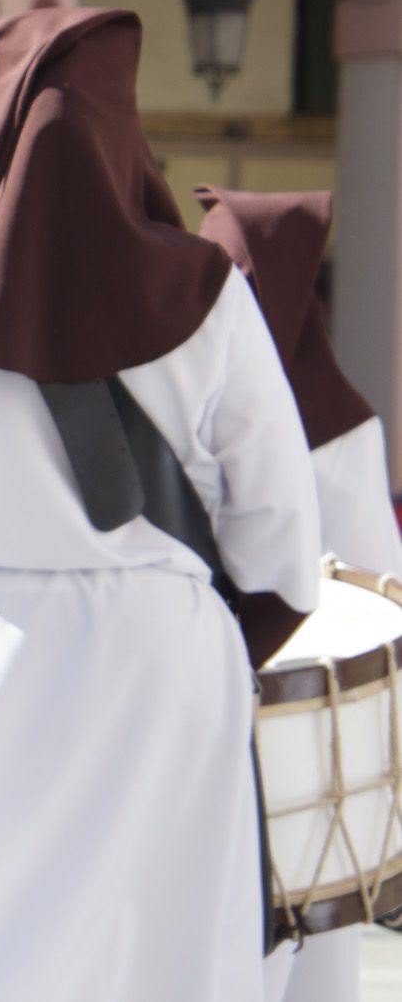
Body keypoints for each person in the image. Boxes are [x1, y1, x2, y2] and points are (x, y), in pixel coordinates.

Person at [0, 7, 319, 1002]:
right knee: (157, 953)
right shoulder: (207, 293)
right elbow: (282, 529)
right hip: (161, 657)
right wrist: (220, 627)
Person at [198, 185, 402, 1002]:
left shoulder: (338, 422)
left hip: (305, 733)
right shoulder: (207, 397)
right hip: (221, 703)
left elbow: (369, 591)